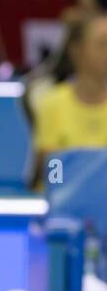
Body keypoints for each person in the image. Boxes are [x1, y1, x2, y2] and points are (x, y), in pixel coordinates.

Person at [31, 10, 107, 179]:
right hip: (65, 202)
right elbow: (53, 175)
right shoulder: (53, 103)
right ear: (77, 50)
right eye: (102, 44)